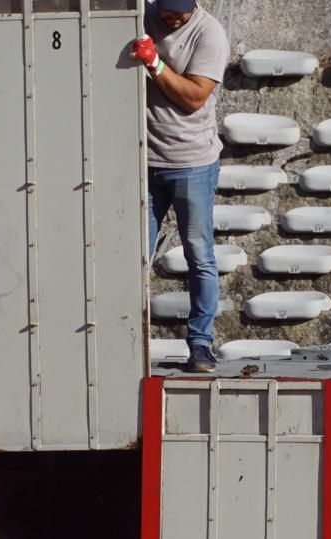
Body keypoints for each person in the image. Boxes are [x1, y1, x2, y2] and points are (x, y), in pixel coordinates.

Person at [132, 0, 228, 373]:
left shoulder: (209, 33)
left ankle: (201, 344)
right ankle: (126, 340)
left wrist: (154, 63)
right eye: (167, 11)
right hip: (143, 159)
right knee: (134, 256)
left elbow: (194, 97)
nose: (172, 19)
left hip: (192, 162)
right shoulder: (143, 16)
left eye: (180, 13)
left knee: (199, 254)